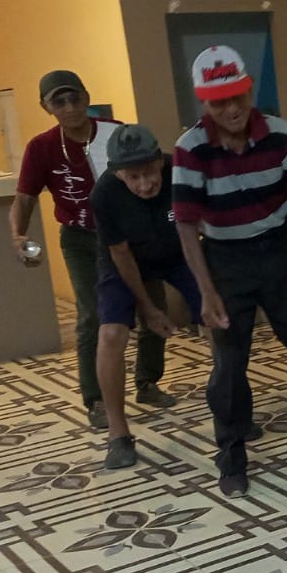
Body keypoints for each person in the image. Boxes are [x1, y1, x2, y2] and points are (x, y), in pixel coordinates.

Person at [171, 45, 287, 496]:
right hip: (225, 260)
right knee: (230, 364)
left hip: (281, 252)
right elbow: (187, 226)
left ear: (249, 91)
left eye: (237, 97)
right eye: (218, 102)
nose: (231, 109)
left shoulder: (281, 135)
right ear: (204, 103)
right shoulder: (189, 149)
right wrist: (206, 291)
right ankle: (231, 453)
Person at [10, 69, 172, 429]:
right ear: (46, 107)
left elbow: (151, 174)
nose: (69, 107)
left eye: (74, 98)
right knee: (92, 315)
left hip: (132, 235)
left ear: (86, 97)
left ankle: (148, 382)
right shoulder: (41, 148)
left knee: (153, 306)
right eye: (59, 101)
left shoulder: (116, 133)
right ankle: (96, 399)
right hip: (81, 239)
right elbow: (24, 198)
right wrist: (17, 235)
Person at [90, 124, 205, 471]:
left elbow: (198, 228)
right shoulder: (104, 195)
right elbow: (121, 254)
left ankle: (233, 408)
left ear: (160, 161)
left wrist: (208, 293)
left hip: (176, 252)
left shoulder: (180, 173)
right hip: (124, 261)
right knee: (111, 334)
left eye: (150, 173)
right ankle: (118, 434)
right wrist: (148, 308)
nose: (145, 184)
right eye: (133, 177)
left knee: (216, 316)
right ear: (118, 173)